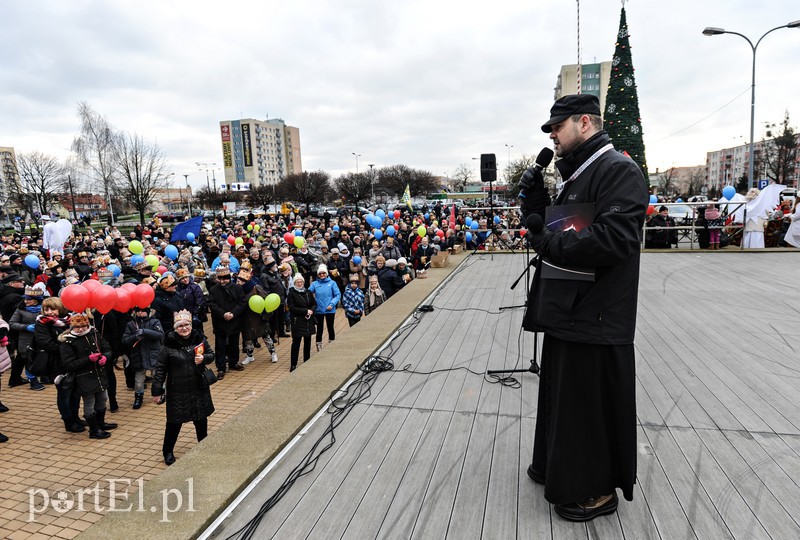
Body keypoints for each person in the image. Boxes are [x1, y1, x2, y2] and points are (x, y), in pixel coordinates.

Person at [521, 94, 647, 521]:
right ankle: (557, 467)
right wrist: (535, 202)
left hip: (596, 312)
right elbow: (557, 226)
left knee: (587, 406)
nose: (552, 134)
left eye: (558, 126)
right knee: (564, 398)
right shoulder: (582, 172)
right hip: (570, 307)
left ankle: (593, 489)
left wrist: (549, 242)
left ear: (586, 123)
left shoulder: (618, 170)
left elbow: (616, 239)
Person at [151, 310, 215, 465]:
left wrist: (204, 358)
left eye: (187, 325)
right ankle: (167, 451)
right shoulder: (168, 345)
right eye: (180, 326)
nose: (184, 328)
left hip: (198, 387)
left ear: (191, 325)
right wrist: (157, 391)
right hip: (177, 390)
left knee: (201, 420)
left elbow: (211, 354)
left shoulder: (199, 338)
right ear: (175, 328)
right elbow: (160, 369)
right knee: (174, 423)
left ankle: (203, 446)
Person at [59, 312, 117, 439]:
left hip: (99, 374)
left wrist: (106, 358)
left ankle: (100, 423)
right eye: (76, 327)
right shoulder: (68, 342)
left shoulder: (94, 334)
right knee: (89, 402)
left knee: (103, 398)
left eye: (83, 326)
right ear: (71, 327)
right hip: (83, 377)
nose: (80, 329)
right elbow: (69, 365)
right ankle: (94, 430)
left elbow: (107, 348)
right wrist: (88, 359)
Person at [34, 297, 82, 432]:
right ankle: (68, 421)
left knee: (75, 392)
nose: (49, 312)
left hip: (73, 362)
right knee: (64, 392)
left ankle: (76, 417)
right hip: (56, 363)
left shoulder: (70, 320)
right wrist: (68, 349)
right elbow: (46, 343)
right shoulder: (42, 323)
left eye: (53, 309)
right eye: (46, 309)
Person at [122, 306, 164, 410]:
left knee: (157, 376)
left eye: (143, 311)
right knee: (139, 380)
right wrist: (135, 337)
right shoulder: (130, 324)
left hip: (154, 355)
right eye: (138, 311)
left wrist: (145, 331)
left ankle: (161, 393)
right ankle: (138, 397)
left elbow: (160, 335)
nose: (141, 313)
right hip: (138, 356)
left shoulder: (155, 321)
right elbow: (125, 340)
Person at [207, 266, 245, 379]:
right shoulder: (214, 290)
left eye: (225, 279)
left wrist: (233, 313)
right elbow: (212, 304)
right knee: (220, 345)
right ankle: (221, 368)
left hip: (234, 320)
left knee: (234, 343)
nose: (222, 281)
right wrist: (223, 314)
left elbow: (242, 303)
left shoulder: (237, 288)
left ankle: (233, 363)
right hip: (220, 321)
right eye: (220, 279)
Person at [286, 274, 315, 372]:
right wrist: (305, 311)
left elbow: (314, 304)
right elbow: (292, 308)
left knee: (308, 342)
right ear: (294, 283)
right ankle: (293, 364)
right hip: (297, 321)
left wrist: (311, 311)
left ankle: (307, 361)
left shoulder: (308, 292)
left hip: (308, 320)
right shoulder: (292, 293)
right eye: (297, 282)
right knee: (296, 343)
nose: (299, 283)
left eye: (301, 282)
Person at [308, 265, 340, 352]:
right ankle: (319, 344)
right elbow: (308, 294)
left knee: (330, 327)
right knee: (319, 329)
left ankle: (332, 343)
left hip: (330, 309)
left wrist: (332, 304)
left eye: (323, 273)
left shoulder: (332, 283)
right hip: (319, 310)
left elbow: (337, 295)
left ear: (326, 274)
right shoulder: (315, 284)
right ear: (318, 274)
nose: (322, 275)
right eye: (320, 273)